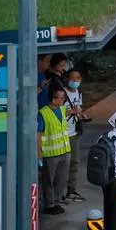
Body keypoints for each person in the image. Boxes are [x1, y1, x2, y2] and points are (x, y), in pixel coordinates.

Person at [37, 87, 71, 215]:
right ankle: (49, 204)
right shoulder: (43, 113)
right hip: (50, 153)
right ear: (53, 99)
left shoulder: (62, 110)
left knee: (61, 179)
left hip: (65, 150)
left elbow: (68, 114)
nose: (63, 100)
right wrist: (39, 153)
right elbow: (39, 134)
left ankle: (56, 201)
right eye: (61, 98)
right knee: (48, 180)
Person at [63, 67, 87, 202]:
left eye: (77, 78)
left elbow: (79, 108)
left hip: (75, 131)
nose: (75, 81)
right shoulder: (63, 93)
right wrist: (71, 112)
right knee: (64, 164)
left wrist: (81, 114)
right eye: (72, 78)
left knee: (75, 162)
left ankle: (71, 189)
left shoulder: (79, 91)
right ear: (67, 79)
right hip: (64, 132)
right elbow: (58, 112)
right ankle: (61, 191)